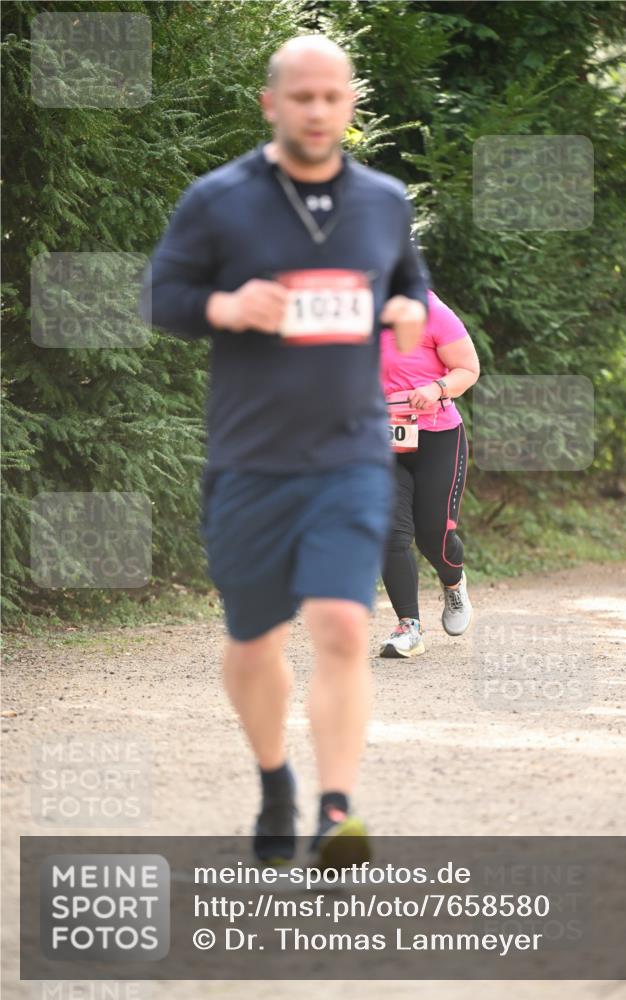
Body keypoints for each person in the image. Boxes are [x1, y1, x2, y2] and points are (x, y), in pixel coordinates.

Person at [140, 35, 429, 866]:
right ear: (272, 103)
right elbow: (163, 296)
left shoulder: (382, 201)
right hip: (250, 459)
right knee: (252, 642)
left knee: (342, 624)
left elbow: (406, 284)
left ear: (348, 105)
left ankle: (335, 813)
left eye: (331, 97)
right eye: (300, 96)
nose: (316, 110)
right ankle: (275, 779)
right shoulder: (218, 199)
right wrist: (227, 306)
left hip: (350, 453)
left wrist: (408, 312)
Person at [379, 288, 480, 658]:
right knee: (390, 533)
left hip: (437, 438)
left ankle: (453, 584)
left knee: (433, 536)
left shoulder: (433, 311)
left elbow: (468, 370)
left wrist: (436, 388)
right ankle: (409, 628)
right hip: (381, 442)